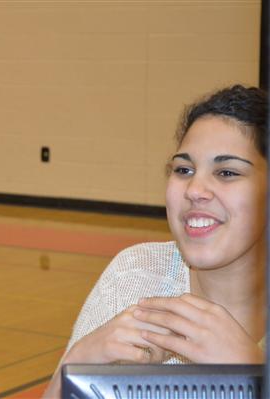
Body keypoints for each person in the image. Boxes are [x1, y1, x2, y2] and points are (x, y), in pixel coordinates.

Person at [43, 85, 268, 398]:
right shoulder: (135, 276)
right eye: (183, 169)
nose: (194, 189)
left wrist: (254, 375)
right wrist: (80, 358)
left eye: (227, 172)